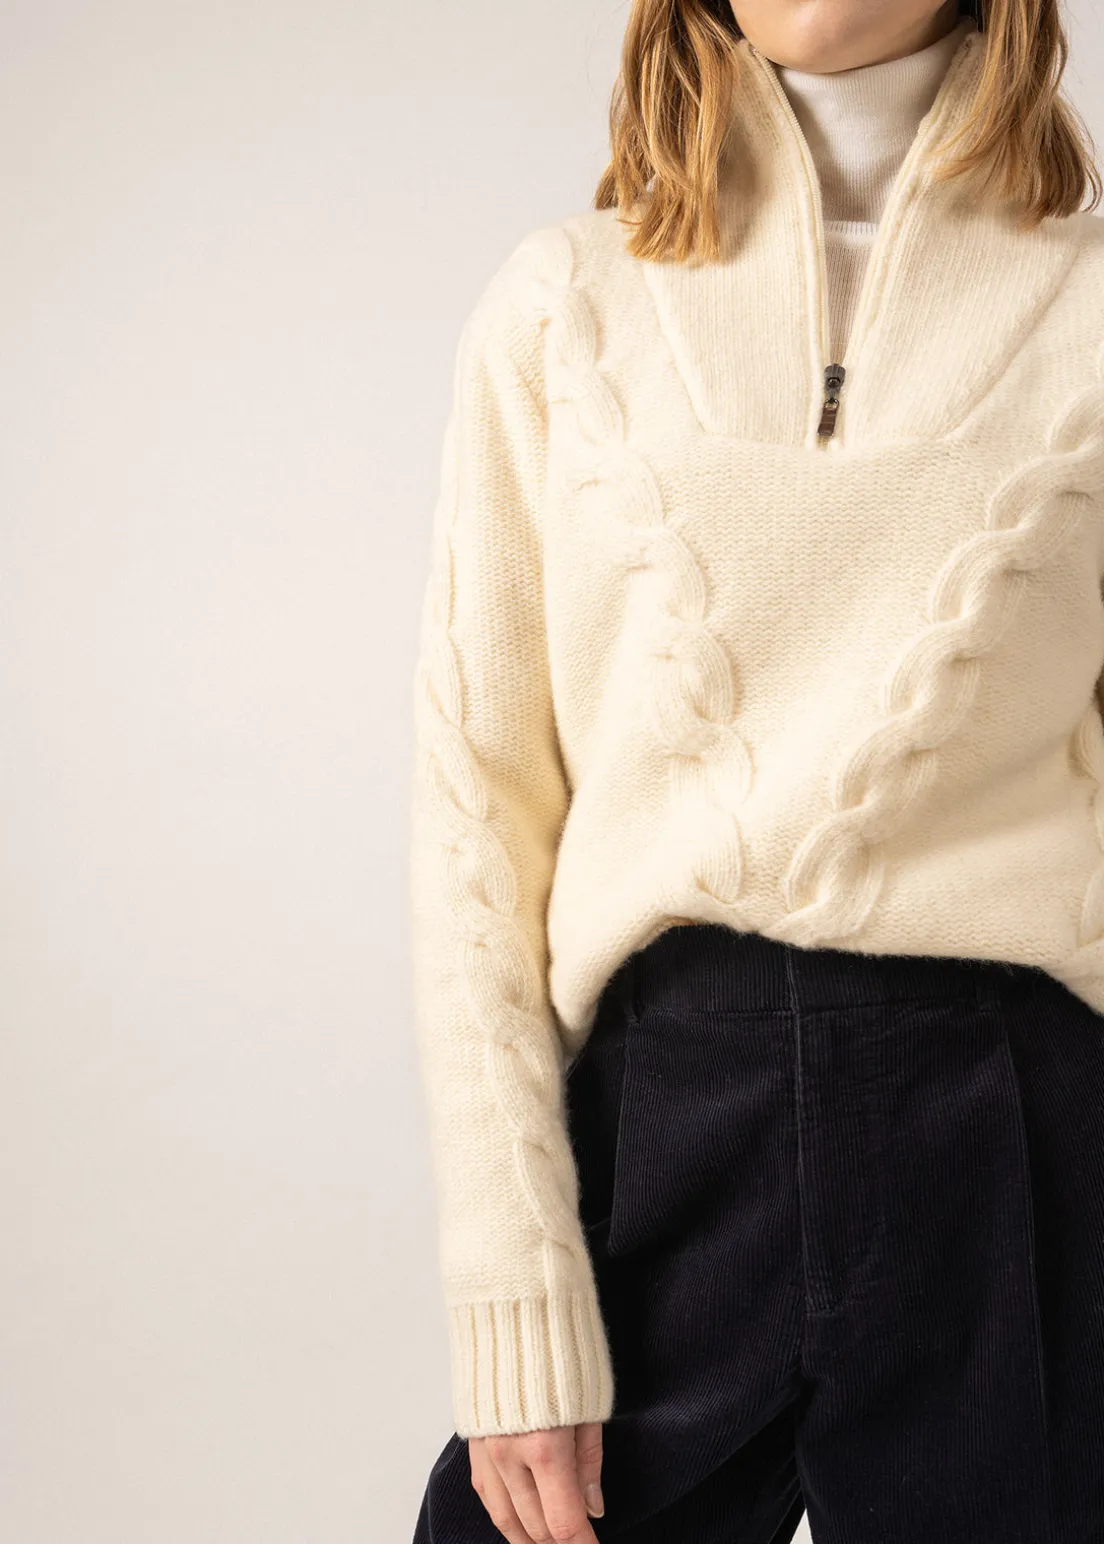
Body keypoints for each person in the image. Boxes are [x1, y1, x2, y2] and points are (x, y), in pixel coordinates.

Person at [406, 0, 1104, 1538]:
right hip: (664, 1119)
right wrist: (514, 1298)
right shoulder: (562, 308)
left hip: (1021, 1139)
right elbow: (477, 826)